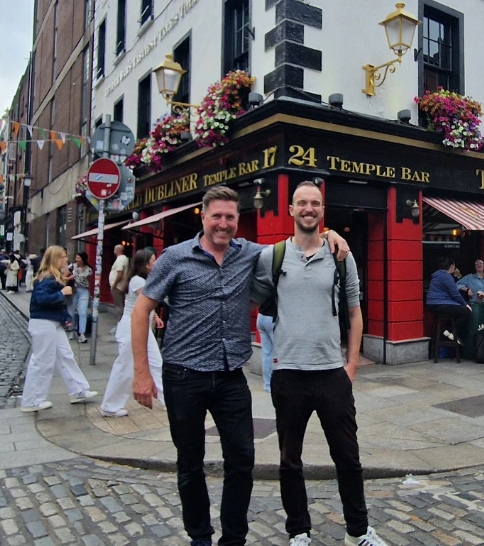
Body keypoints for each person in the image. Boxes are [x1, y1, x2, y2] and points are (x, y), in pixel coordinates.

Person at [130, 186, 349, 546]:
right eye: (216, 216)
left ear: (237, 220)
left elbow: (296, 244)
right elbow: (141, 311)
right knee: (190, 463)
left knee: (242, 460)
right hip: (184, 376)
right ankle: (200, 537)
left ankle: (233, 539)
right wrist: (141, 373)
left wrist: (329, 233)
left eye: (230, 217)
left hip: (231, 377)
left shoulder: (249, 253)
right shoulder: (174, 257)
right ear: (203, 217)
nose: (223, 223)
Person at [252, 181, 387, 546]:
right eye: (302, 203)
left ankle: (357, 531)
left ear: (322, 211)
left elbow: (355, 312)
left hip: (331, 374)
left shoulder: (341, 256)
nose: (308, 208)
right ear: (291, 210)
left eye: (315, 203)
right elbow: (249, 295)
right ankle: (298, 531)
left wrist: (351, 365)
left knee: (348, 459)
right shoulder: (273, 257)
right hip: (288, 373)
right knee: (289, 461)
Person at [20, 245, 97, 412]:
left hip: (51, 321)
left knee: (65, 355)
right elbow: (41, 299)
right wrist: (62, 293)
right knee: (42, 361)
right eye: (63, 257)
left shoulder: (52, 277)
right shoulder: (47, 277)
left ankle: (78, 390)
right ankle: (31, 401)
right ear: (55, 258)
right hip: (43, 322)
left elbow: (54, 304)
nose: (66, 259)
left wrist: (65, 318)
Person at [100, 249, 164, 417]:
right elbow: (148, 300)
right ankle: (110, 406)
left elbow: (146, 305)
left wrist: (155, 317)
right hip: (131, 328)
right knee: (125, 367)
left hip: (140, 327)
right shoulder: (137, 281)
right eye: (153, 260)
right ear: (146, 264)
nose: (155, 262)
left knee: (156, 363)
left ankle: (167, 400)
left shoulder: (142, 279)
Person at [426, 257, 472, 348]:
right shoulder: (446, 276)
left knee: (457, 311)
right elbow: (455, 294)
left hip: (432, 304)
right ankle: (450, 331)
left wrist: (455, 276)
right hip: (439, 304)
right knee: (466, 311)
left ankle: (448, 332)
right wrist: (466, 304)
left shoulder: (439, 275)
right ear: (451, 266)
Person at [67, 252, 93, 343]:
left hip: (84, 291)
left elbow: (87, 280)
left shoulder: (88, 269)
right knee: (71, 312)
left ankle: (82, 334)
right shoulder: (72, 267)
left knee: (82, 312)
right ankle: (71, 330)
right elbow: (64, 273)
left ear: (83, 259)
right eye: (76, 258)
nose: (76, 259)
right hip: (73, 291)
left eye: (78, 258)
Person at [256, 309, 276, 393]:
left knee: (267, 354)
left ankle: (268, 385)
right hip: (273, 318)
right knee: (280, 353)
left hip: (261, 316)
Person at [109, 244, 129, 324]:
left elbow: (120, 274)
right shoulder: (124, 258)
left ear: (117, 250)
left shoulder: (120, 259)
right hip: (120, 286)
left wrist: (114, 285)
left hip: (117, 286)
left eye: (115, 249)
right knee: (121, 305)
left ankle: (120, 323)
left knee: (118, 305)